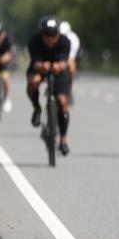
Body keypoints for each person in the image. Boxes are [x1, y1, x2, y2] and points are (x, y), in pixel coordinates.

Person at [26, 15, 73, 156]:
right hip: (40, 67)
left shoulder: (65, 42)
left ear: (58, 34)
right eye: (46, 35)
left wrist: (59, 65)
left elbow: (64, 62)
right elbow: (35, 62)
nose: (50, 39)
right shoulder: (34, 41)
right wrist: (42, 66)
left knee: (62, 102)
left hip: (58, 69)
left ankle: (63, 140)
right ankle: (37, 108)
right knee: (33, 82)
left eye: (53, 35)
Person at [59, 20, 81, 104]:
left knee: (71, 68)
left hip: (68, 57)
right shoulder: (56, 36)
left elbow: (72, 54)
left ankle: (69, 89)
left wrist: (66, 61)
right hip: (58, 57)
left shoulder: (73, 38)